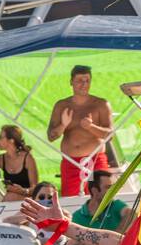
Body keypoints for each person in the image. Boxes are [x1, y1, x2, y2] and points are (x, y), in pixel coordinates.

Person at [47, 65, 113, 199]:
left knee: (100, 197)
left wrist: (91, 127)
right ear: (71, 82)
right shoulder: (61, 105)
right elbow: (51, 136)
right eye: (79, 81)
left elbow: (110, 135)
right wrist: (63, 125)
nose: (84, 84)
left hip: (95, 160)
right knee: (71, 201)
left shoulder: (101, 104)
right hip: (70, 163)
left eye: (87, 80)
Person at [0, 125, 38, 200]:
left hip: (27, 198)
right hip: (11, 198)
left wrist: (23, 191)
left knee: (10, 196)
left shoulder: (27, 158)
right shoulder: (1, 159)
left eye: (0, 137)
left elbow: (35, 188)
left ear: (11, 140)